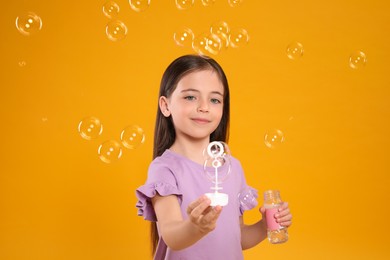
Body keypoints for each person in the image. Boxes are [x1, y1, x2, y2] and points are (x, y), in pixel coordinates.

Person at [136, 54, 292, 259]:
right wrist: (195, 227)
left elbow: (237, 237)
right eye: (190, 97)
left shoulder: (232, 167)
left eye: (215, 99)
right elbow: (171, 234)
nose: (204, 107)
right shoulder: (165, 169)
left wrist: (264, 226)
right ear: (166, 106)